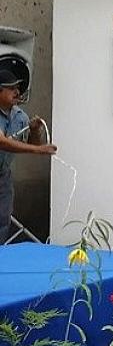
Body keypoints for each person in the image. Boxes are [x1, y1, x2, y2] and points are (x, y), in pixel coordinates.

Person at [0, 69, 57, 242]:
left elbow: (33, 145)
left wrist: (34, 130)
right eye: (11, 89)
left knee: (3, 219)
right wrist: (40, 150)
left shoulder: (20, 117)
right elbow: (2, 142)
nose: (17, 92)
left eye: (17, 88)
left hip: (3, 175)